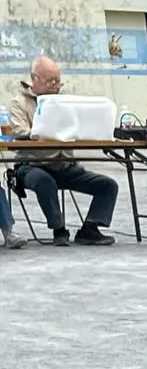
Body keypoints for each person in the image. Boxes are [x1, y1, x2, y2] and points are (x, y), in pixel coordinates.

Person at [8, 56, 118, 246]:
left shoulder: (65, 101)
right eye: (49, 80)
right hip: (31, 166)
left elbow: (81, 126)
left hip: (64, 166)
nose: (54, 85)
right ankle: (59, 229)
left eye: (57, 81)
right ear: (34, 79)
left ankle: (90, 228)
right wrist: (46, 131)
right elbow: (19, 132)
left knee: (108, 185)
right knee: (44, 181)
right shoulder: (19, 103)